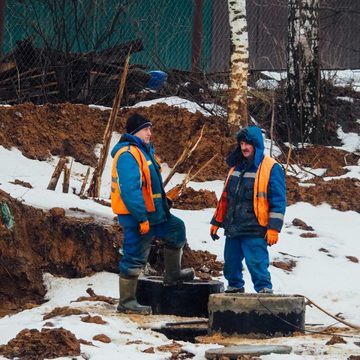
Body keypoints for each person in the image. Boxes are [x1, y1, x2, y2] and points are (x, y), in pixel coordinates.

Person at [111, 113, 194, 314]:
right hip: (138, 217)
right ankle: (127, 302)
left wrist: (164, 204)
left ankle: (173, 274)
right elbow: (131, 191)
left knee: (176, 229)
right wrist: (141, 218)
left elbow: (151, 187)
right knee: (135, 254)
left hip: (155, 214)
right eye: (146, 128)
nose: (150, 132)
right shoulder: (128, 154)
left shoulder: (144, 151)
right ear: (135, 131)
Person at [210, 126, 286, 294]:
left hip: (255, 227)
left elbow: (278, 201)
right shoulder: (235, 167)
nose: (244, 147)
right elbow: (226, 198)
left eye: (248, 144)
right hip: (233, 227)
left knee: (257, 263)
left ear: (257, 145)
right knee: (231, 263)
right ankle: (234, 290)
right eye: (242, 143)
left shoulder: (271, 168)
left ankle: (265, 293)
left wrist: (273, 228)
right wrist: (217, 222)